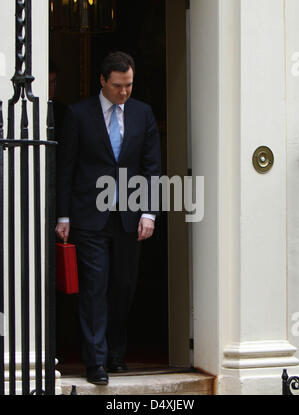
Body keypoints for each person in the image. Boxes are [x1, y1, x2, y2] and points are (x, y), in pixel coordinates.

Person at [55, 51, 161, 385]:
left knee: (124, 287)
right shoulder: (78, 114)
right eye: (118, 86)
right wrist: (63, 214)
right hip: (90, 215)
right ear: (103, 81)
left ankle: (116, 354)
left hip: (130, 216)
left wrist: (149, 212)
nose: (124, 92)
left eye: (129, 85)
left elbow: (152, 167)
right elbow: (67, 168)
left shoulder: (143, 113)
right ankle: (95, 362)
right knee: (94, 288)